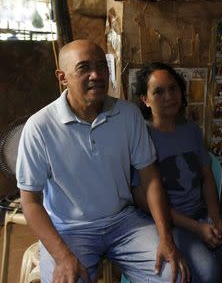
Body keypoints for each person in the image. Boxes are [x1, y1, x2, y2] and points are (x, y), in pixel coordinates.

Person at [16, 40, 189, 283]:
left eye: (101, 66)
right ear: (62, 77)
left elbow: (150, 179)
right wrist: (63, 256)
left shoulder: (128, 114)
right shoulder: (40, 127)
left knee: (175, 274)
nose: (96, 75)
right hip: (70, 229)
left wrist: (165, 237)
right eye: (84, 68)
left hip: (124, 222)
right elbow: (30, 202)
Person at [133, 62, 222, 283]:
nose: (169, 97)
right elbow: (143, 199)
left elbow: (207, 178)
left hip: (201, 215)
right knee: (207, 273)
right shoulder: (141, 137)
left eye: (173, 88)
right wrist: (197, 228)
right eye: (158, 91)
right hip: (167, 225)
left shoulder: (191, 130)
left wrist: (215, 217)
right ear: (145, 99)